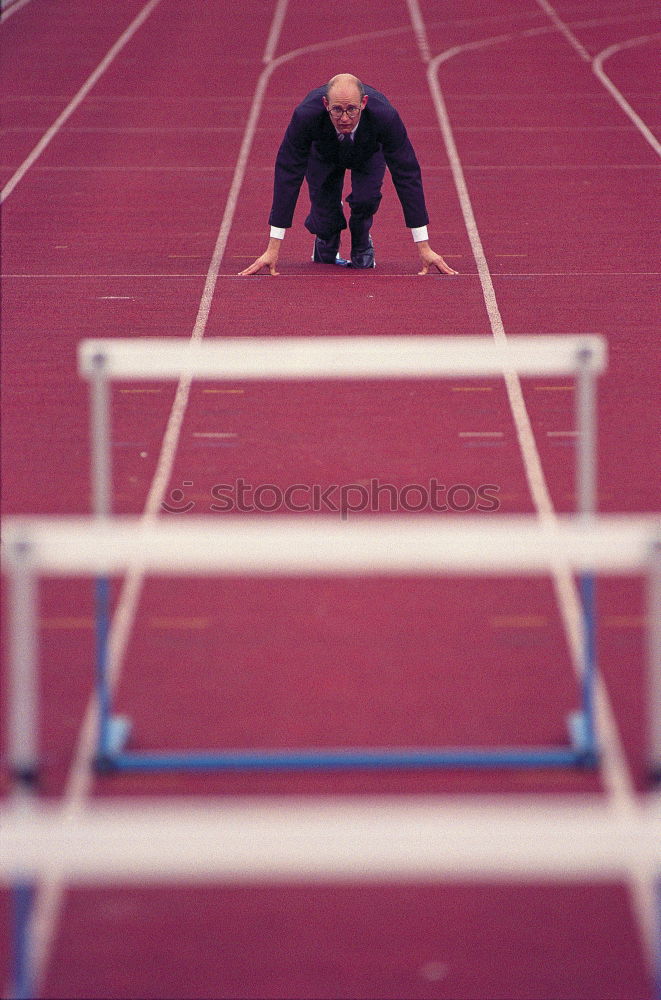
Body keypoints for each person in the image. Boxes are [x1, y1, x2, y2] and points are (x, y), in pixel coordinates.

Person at [239, 73, 458, 276]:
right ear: (325, 105)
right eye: (337, 110)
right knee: (325, 219)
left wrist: (424, 246)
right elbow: (287, 172)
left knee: (366, 200)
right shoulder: (305, 115)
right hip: (323, 154)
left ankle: (362, 240)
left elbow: (407, 174)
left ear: (364, 103)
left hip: (368, 153)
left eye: (352, 109)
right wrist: (273, 247)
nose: (345, 118)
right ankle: (326, 233)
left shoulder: (385, 116)